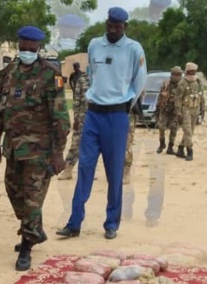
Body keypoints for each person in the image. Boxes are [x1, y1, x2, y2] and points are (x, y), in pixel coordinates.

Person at [57, 7, 145, 241]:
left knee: (114, 172)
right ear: (106, 24)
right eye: (110, 25)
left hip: (117, 117)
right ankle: (74, 222)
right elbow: (93, 76)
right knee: (84, 168)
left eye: (118, 27)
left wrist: (124, 104)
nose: (113, 30)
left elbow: (139, 82)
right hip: (93, 115)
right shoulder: (95, 45)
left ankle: (111, 223)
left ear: (124, 27)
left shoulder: (134, 49)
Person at [0, 26, 70, 271]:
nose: (26, 49)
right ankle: (34, 229)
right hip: (13, 148)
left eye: (31, 46)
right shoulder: (7, 73)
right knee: (14, 191)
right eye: (22, 45)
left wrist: (58, 153)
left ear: (39, 47)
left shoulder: (50, 74)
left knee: (32, 199)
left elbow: (61, 117)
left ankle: (26, 246)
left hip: (40, 149)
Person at [57, 62, 89, 181]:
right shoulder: (82, 79)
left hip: (103, 119)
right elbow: (76, 99)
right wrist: (76, 118)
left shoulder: (108, 79)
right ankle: (68, 170)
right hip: (83, 118)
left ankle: (116, 173)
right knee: (75, 145)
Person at [174, 62, 205, 161]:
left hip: (195, 110)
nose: (192, 73)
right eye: (190, 71)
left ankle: (180, 148)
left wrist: (203, 109)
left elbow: (202, 96)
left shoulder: (198, 82)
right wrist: (178, 112)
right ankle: (190, 151)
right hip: (185, 110)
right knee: (187, 131)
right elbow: (178, 99)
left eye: (194, 71)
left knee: (191, 132)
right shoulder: (182, 83)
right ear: (186, 71)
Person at [156, 66, 182, 154]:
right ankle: (162, 144)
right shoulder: (166, 84)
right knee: (161, 127)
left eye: (178, 75)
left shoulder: (181, 85)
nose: (176, 76)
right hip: (165, 109)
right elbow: (160, 95)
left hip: (175, 111)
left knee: (174, 129)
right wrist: (158, 107)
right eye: (174, 74)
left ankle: (170, 147)